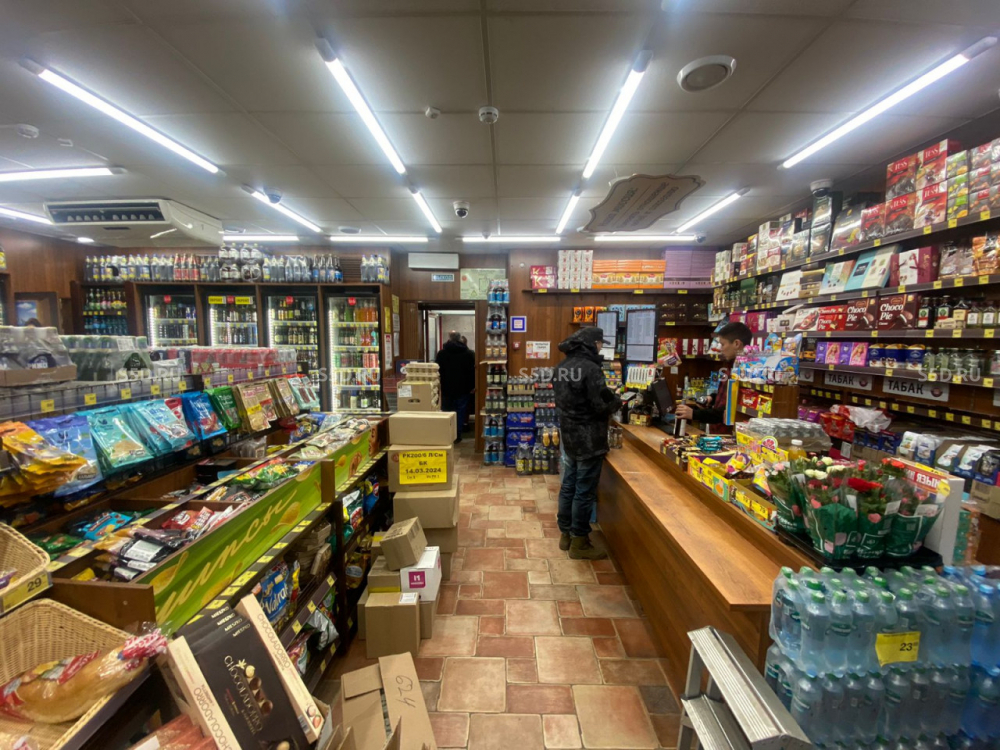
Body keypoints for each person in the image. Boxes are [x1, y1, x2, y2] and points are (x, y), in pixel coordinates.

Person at [553, 327, 620, 560]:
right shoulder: (591, 368)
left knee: (568, 485)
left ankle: (566, 535)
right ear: (591, 344)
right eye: (600, 343)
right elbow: (600, 405)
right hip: (590, 437)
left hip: (569, 435)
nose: (600, 347)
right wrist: (616, 401)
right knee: (584, 491)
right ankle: (579, 542)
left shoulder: (561, 367)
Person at [674, 321, 753, 423]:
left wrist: (694, 414)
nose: (720, 349)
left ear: (736, 344)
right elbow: (726, 397)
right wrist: (711, 398)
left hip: (729, 431)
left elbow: (726, 412)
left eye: (723, 344)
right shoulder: (731, 366)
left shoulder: (745, 373)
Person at [435, 331, 476, 442]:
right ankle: (457, 436)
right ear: (460, 339)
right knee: (460, 412)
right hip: (463, 388)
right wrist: (472, 386)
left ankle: (446, 436)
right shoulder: (469, 353)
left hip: (446, 387)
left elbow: (438, 371)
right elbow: (472, 372)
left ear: (449, 338)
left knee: (447, 412)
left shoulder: (441, 353)